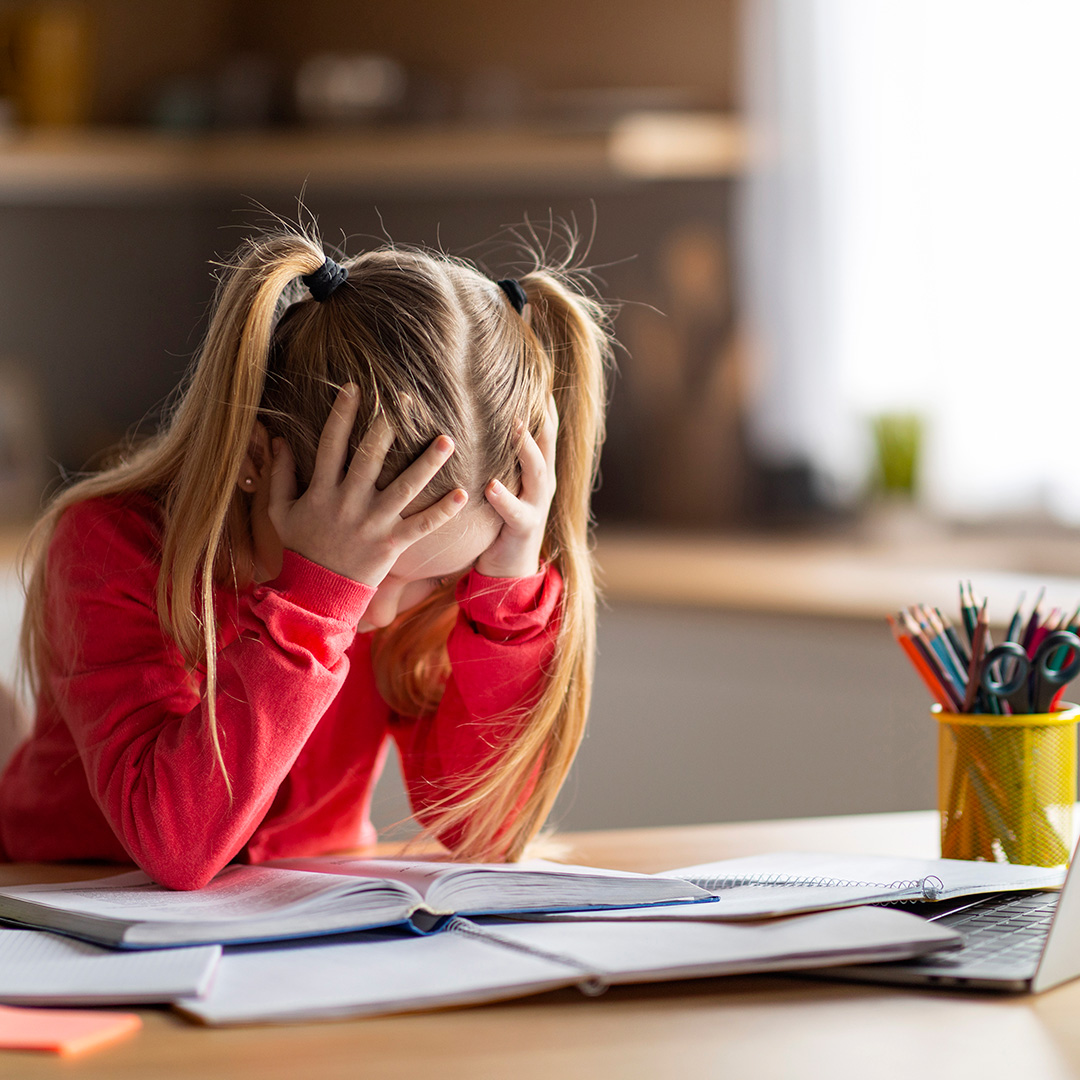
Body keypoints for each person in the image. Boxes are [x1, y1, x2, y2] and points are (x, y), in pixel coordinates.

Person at [0, 227, 610, 890]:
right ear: (258, 457)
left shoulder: (425, 590)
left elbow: (486, 832)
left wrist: (506, 599)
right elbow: (175, 846)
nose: (377, 614)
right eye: (365, 571)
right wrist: (317, 600)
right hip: (54, 893)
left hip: (293, 928)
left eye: (437, 578)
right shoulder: (108, 546)